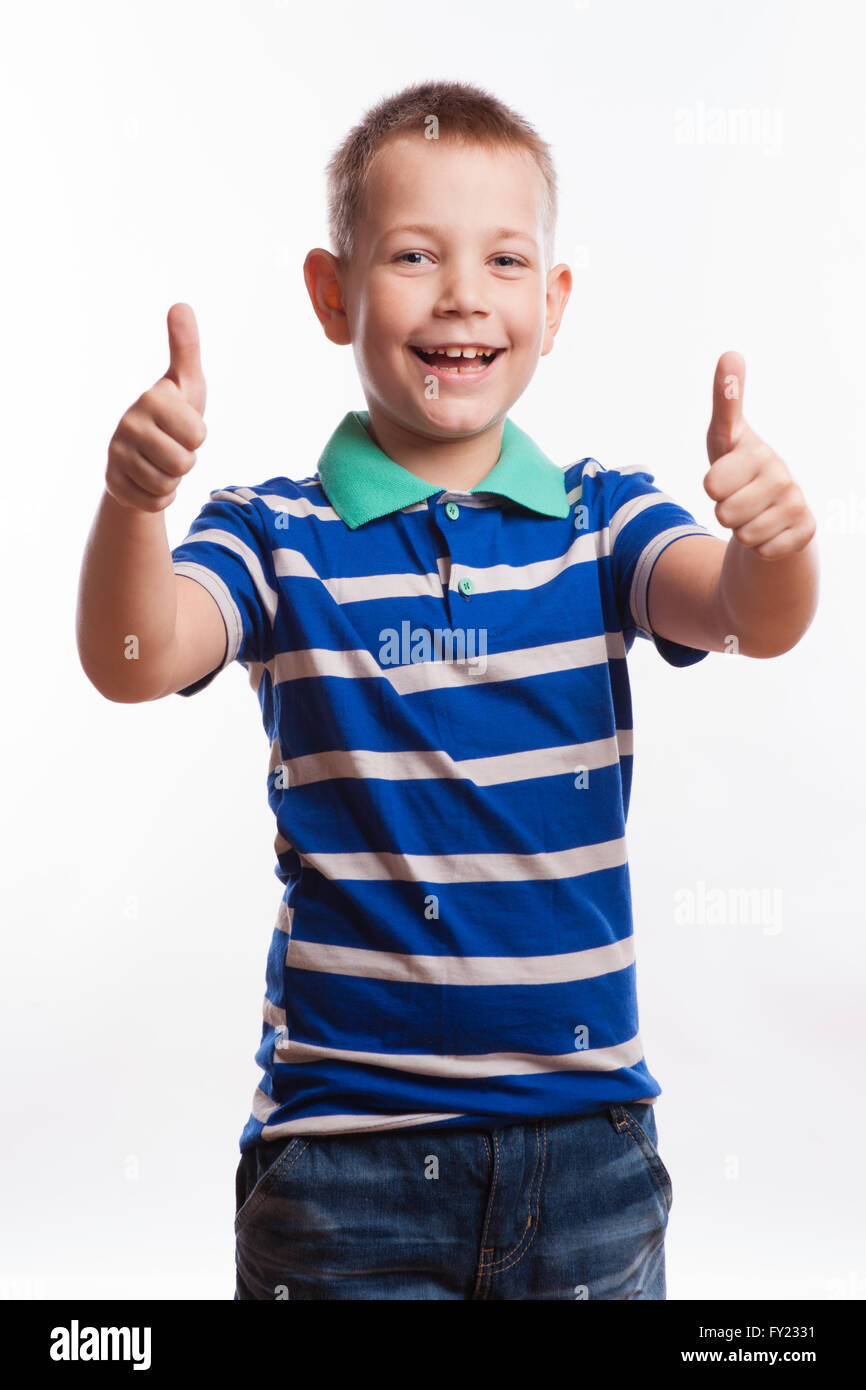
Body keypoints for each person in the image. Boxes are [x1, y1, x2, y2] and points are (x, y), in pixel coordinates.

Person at [76, 79, 819, 1300]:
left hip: (590, 1154)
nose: (464, 293)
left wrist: (774, 547)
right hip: (342, 1167)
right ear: (333, 294)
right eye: (414, 255)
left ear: (552, 301)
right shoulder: (273, 534)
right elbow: (132, 657)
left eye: (505, 260)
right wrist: (132, 505)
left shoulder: (601, 520)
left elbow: (746, 618)